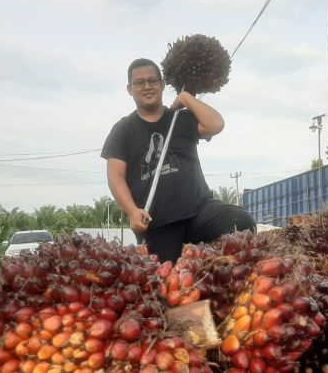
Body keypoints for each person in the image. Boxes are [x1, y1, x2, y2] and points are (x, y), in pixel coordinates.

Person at [101, 58, 256, 262]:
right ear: (130, 89)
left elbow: (215, 124)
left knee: (240, 221)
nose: (147, 86)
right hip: (157, 224)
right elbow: (115, 176)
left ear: (162, 84)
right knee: (164, 280)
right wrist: (132, 211)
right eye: (139, 83)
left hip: (199, 212)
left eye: (152, 80)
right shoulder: (123, 129)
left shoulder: (180, 119)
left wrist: (186, 98)